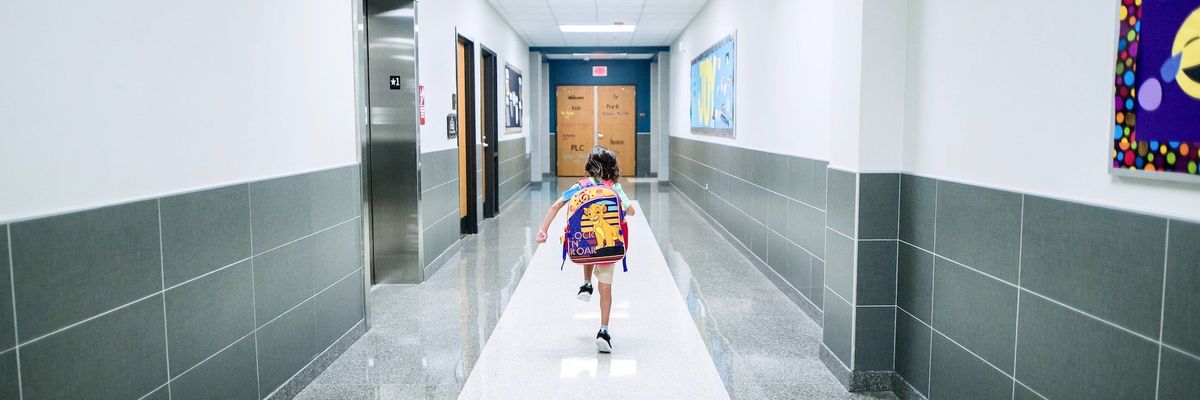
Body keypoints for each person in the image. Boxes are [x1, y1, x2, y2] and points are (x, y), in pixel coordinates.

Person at [536, 146, 635, 353]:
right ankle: (604, 330)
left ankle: (587, 283)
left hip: (584, 245)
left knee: (587, 244)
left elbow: (556, 206)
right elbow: (631, 211)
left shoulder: (581, 186)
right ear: (612, 167)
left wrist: (543, 230)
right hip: (609, 246)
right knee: (606, 287)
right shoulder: (614, 187)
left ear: (590, 166)